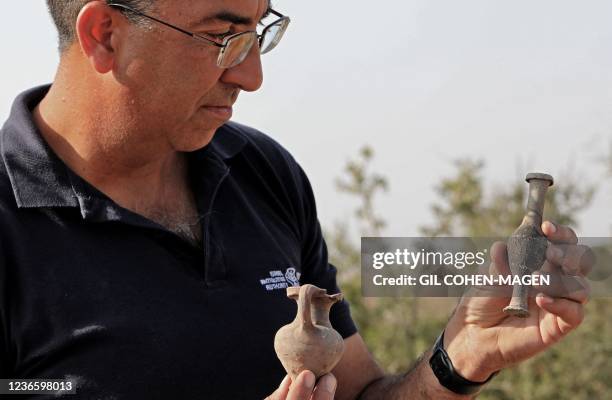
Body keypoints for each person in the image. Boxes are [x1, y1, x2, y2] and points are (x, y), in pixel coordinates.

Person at [0, 1, 593, 399]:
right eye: (221, 37)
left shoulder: (263, 174)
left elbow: (357, 394)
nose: (252, 75)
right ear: (105, 33)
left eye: (258, 34)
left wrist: (460, 358)